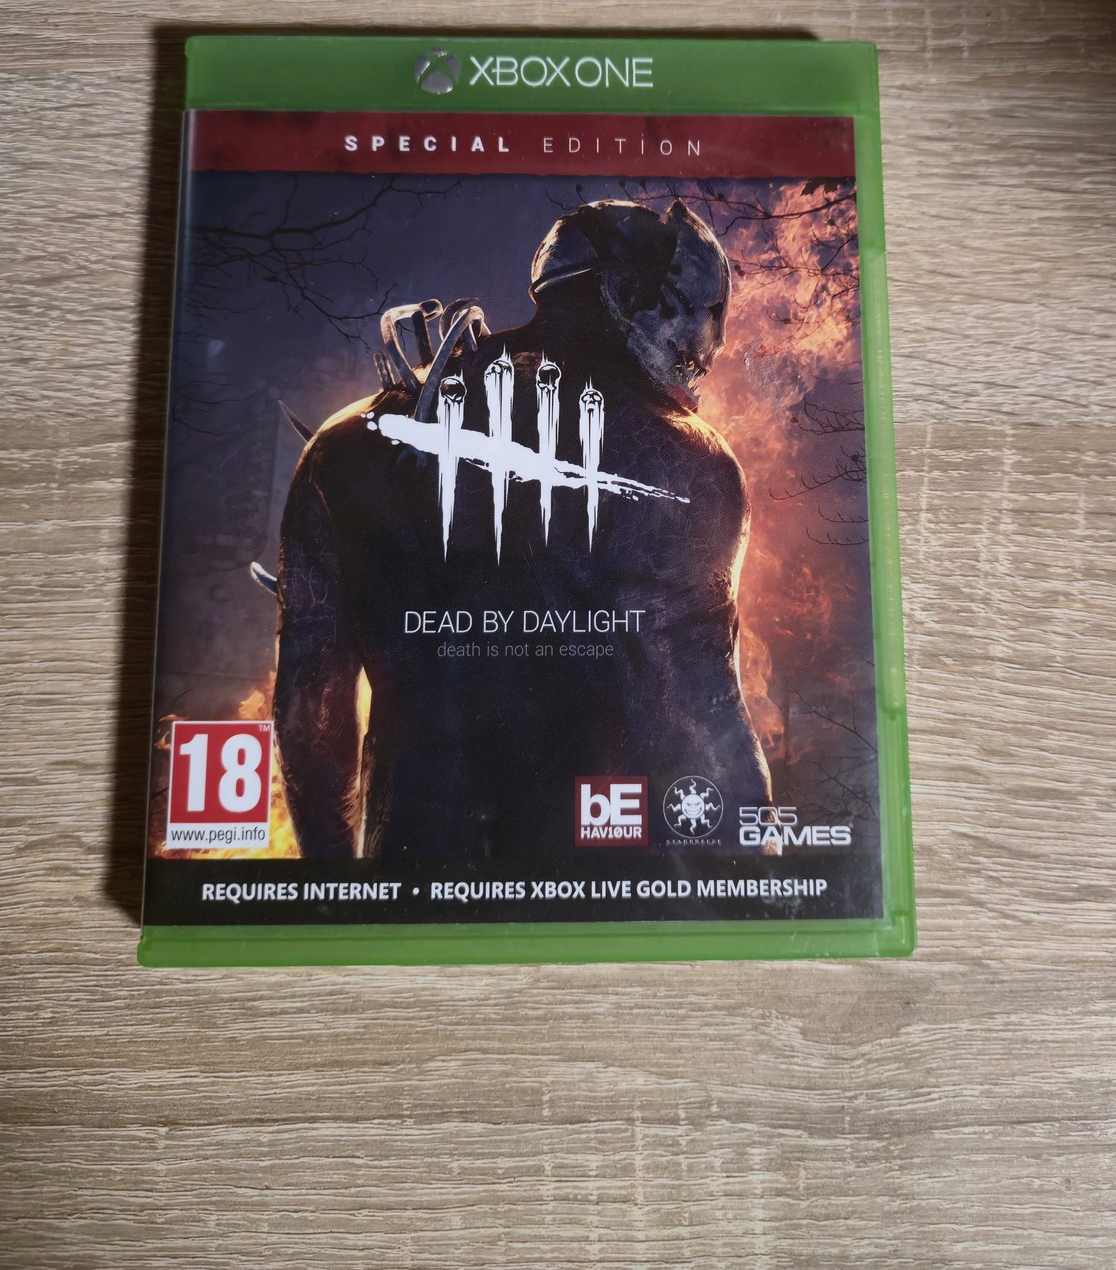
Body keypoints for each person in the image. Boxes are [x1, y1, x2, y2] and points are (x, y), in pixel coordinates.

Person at [272, 198, 772, 858]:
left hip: (417, 873)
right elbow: (706, 726)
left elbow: (310, 715)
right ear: (627, 294)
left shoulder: (347, 444)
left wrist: (335, 890)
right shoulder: (687, 462)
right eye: (705, 311)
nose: (715, 341)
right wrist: (757, 886)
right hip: (608, 884)